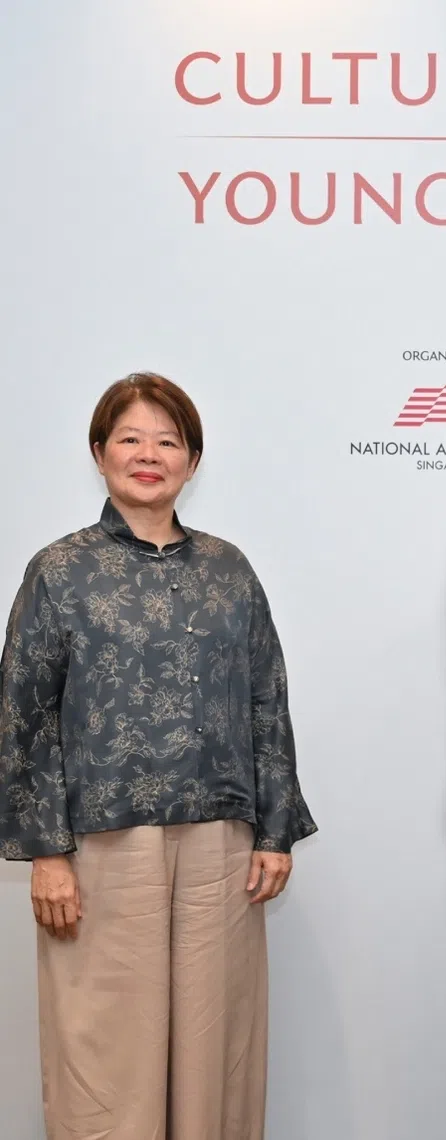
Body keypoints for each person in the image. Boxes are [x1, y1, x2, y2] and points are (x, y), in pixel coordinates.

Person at [0, 371, 317, 1139]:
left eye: (168, 440)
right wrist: (47, 852)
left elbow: (266, 699)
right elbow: (24, 712)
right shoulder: (59, 569)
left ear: (193, 459)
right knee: (109, 1058)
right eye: (131, 439)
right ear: (99, 453)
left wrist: (274, 832)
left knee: (217, 1055)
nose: (150, 454)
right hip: (102, 848)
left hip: (221, 850)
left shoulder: (229, 570)